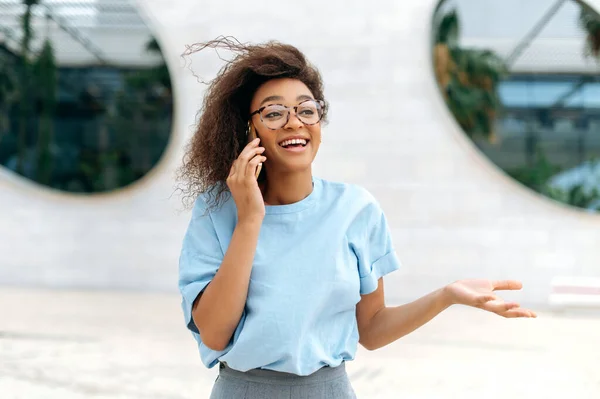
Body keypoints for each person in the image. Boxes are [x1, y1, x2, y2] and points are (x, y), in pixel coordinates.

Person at [177, 37, 536, 399]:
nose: (293, 123)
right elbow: (215, 332)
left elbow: (373, 330)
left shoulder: (356, 210)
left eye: (306, 110)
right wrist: (251, 218)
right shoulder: (217, 210)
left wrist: (446, 296)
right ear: (249, 130)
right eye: (273, 113)